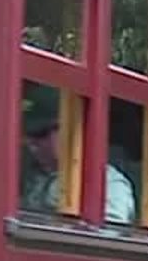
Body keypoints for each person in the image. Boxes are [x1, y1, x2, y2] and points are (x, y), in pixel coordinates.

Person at [20, 91, 136, 225]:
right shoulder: (34, 178)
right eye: (27, 136)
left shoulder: (105, 182)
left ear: (71, 129)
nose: (31, 143)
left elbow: (108, 237)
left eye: (40, 133)